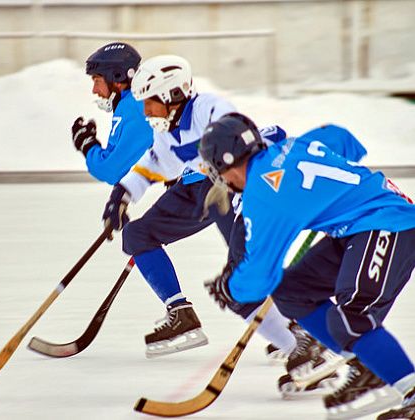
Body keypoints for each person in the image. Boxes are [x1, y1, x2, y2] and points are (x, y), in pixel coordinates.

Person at [200, 112, 415, 419]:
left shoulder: (263, 194)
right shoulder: (288, 147)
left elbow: (259, 278)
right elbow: (341, 137)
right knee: (292, 292)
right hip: (357, 228)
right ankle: (367, 367)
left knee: (352, 315)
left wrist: (230, 286)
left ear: (226, 162)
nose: (221, 180)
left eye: (216, 170)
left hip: (389, 224)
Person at [102, 54, 303, 364]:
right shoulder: (166, 127)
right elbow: (156, 163)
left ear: (172, 95)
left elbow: (241, 150)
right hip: (197, 187)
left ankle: (299, 340)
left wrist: (245, 204)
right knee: (137, 235)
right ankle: (180, 313)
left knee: (242, 279)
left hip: (234, 190)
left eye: (150, 102)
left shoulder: (212, 109)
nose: (145, 111)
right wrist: (123, 194)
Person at [71, 42, 153, 185]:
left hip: (196, 186)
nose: (94, 90)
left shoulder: (133, 107)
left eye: (97, 81)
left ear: (117, 79)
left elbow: (110, 170)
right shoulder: (138, 101)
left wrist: (88, 145)